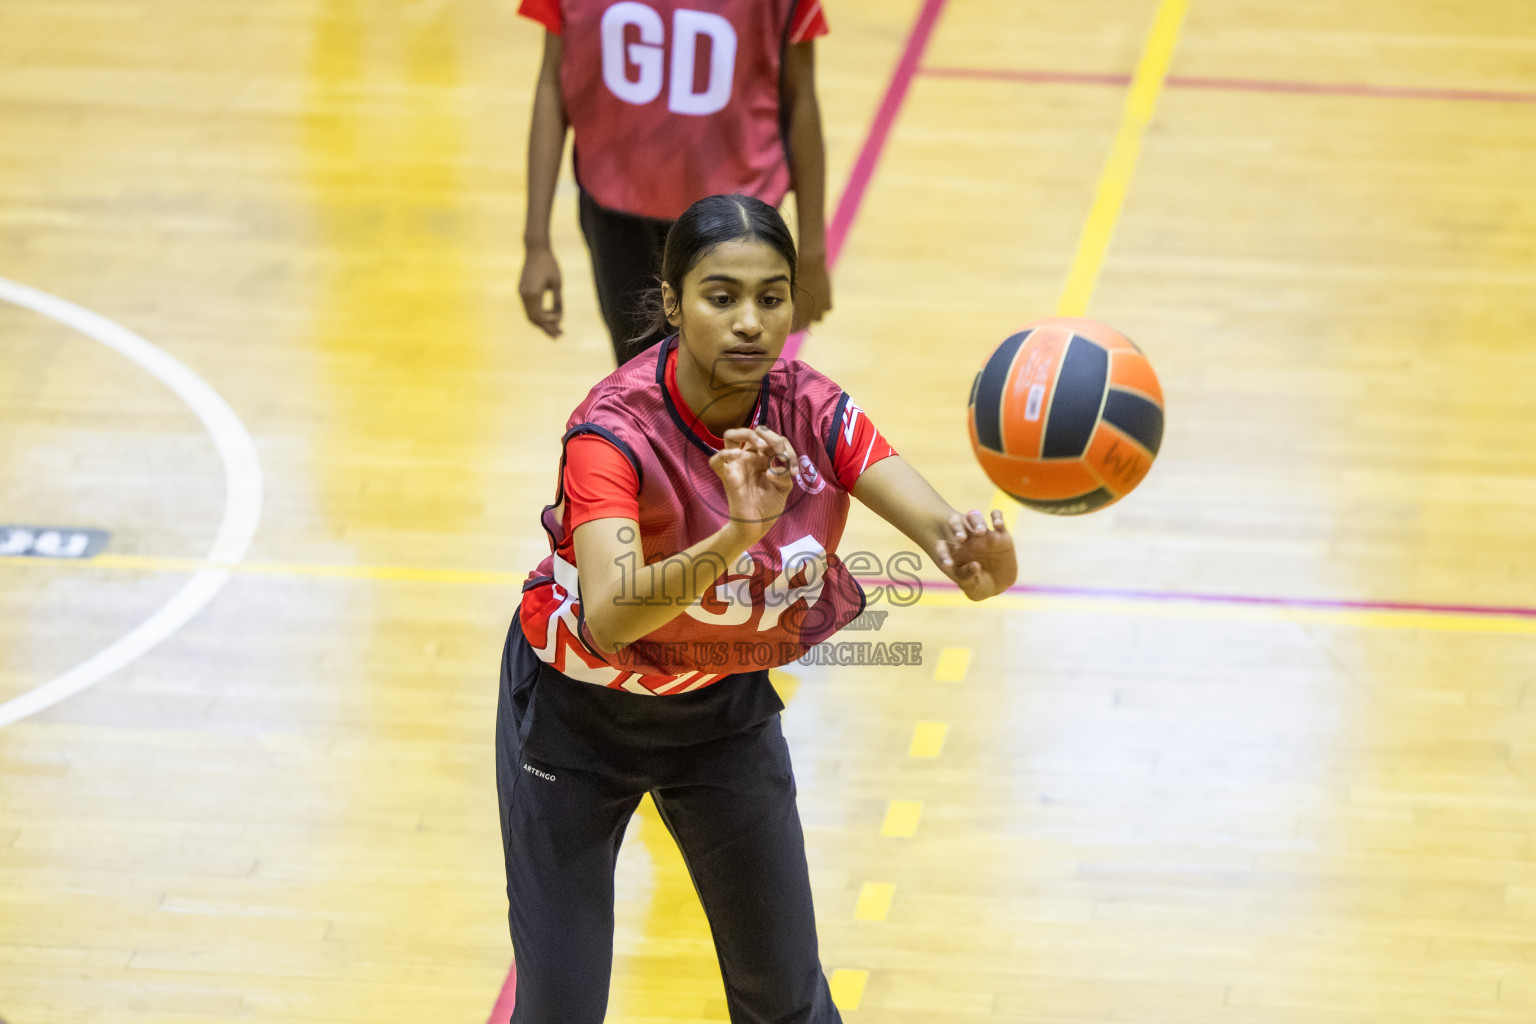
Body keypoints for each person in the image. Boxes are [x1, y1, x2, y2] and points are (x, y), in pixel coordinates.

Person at [496, 194, 1016, 1023]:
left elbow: (960, 553)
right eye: (721, 297)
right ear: (672, 304)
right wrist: (741, 534)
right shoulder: (610, 432)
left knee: (787, 1000)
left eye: (770, 298)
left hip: (720, 713)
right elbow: (613, 617)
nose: (750, 323)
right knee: (560, 1008)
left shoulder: (815, 412)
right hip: (576, 719)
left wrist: (983, 556)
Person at [516, 0, 833, 363]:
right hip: (618, 214)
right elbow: (552, 83)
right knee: (640, 380)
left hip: (735, 220)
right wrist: (536, 243)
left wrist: (812, 253)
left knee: (729, 381)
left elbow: (801, 98)